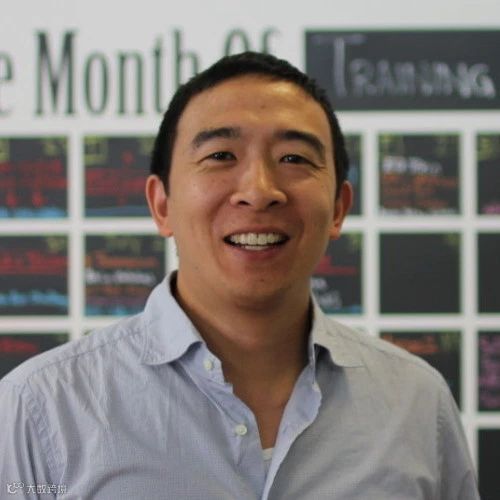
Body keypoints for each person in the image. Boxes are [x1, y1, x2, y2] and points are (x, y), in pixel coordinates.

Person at [0, 52, 479, 499]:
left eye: (294, 158)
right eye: (221, 156)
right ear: (162, 204)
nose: (259, 190)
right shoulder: (42, 408)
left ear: (338, 208)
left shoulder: (417, 403)